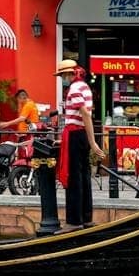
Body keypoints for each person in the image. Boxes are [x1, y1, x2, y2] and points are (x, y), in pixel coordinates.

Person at [55, 58, 97, 227]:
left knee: (74, 178)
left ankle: (74, 221)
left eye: (62, 76)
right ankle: (86, 217)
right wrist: (89, 139)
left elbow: (85, 114)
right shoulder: (85, 86)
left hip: (75, 134)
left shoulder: (73, 89)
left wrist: (93, 142)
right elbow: (87, 115)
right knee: (84, 175)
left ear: (68, 74)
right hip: (82, 135)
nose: (61, 79)